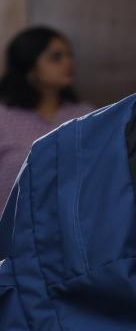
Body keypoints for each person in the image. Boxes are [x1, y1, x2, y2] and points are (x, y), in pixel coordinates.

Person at [0, 26, 93, 200]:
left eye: (69, 55)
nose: (68, 63)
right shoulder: (4, 117)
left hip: (70, 215)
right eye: (56, 57)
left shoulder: (86, 115)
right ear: (29, 66)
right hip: (11, 215)